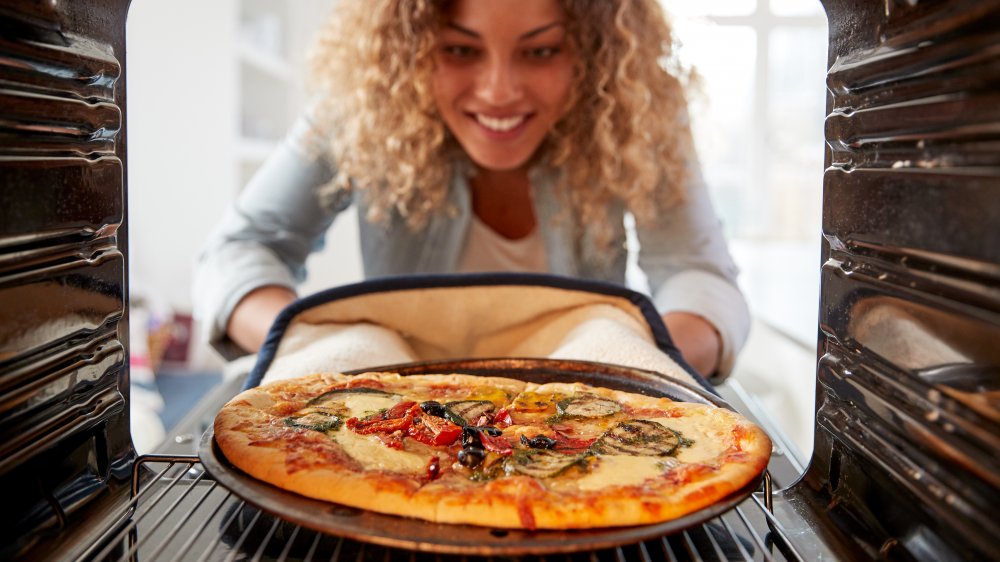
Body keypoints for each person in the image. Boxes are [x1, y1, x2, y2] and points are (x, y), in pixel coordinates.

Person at [193, 0, 750, 380]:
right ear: (408, 49)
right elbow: (240, 250)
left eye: (541, 50)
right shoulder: (361, 107)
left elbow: (696, 272)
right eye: (460, 50)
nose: (499, 90)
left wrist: (628, 362)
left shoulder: (636, 112)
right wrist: (323, 348)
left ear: (592, 51)